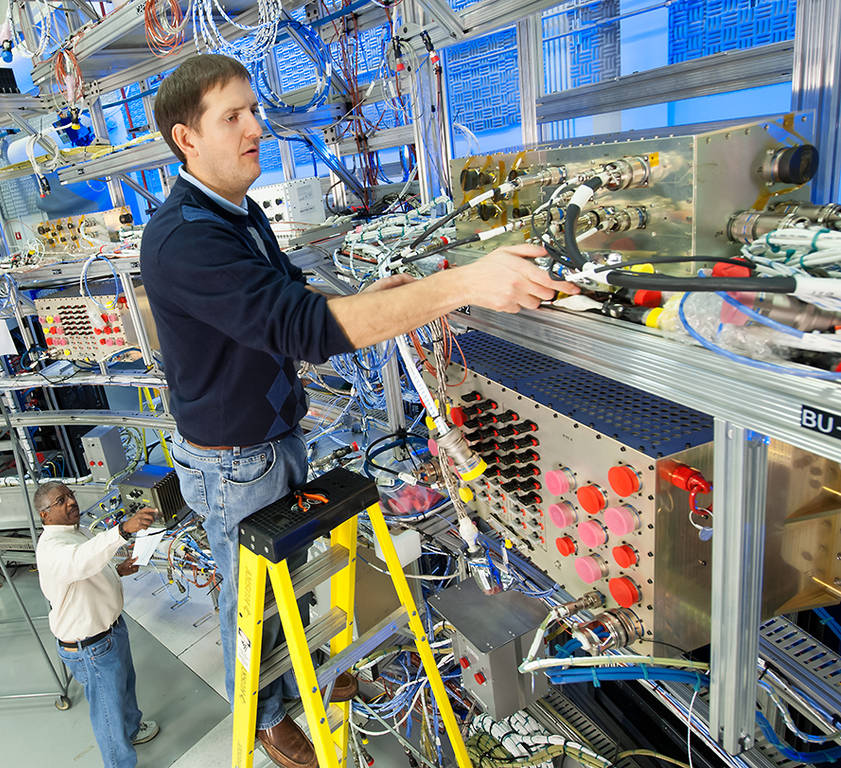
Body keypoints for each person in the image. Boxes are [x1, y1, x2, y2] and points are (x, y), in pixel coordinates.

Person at [139, 54, 579, 768]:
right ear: (187, 138)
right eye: (234, 116)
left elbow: (292, 301)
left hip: (272, 428)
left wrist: (381, 298)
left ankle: (300, 675)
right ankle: (264, 713)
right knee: (251, 595)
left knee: (294, 573)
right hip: (232, 453)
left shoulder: (237, 210)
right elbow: (303, 332)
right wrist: (461, 284)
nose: (257, 126)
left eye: (254, 109)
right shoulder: (186, 237)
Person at [34, 481, 161, 768]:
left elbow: (85, 572)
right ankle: (119, 763)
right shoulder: (53, 547)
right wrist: (122, 530)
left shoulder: (72, 533)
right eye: (60, 501)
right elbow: (81, 561)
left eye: (70, 496)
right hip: (91, 647)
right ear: (45, 515)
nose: (70, 503)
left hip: (110, 632)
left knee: (126, 687)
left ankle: (132, 730)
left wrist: (117, 570)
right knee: (108, 713)